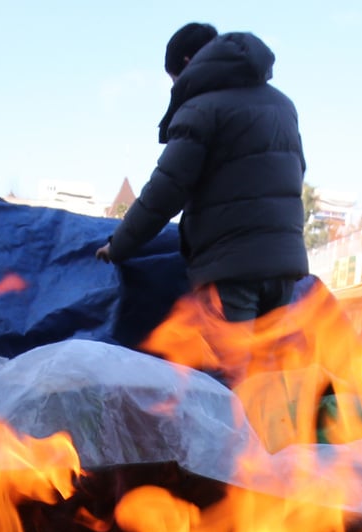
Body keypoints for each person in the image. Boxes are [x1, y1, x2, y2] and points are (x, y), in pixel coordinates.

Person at [95, 23, 308, 324]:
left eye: (173, 79)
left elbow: (164, 192)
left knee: (233, 368)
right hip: (284, 268)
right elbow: (296, 171)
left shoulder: (202, 109)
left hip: (230, 268)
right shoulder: (283, 105)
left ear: (185, 63)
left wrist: (117, 247)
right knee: (268, 367)